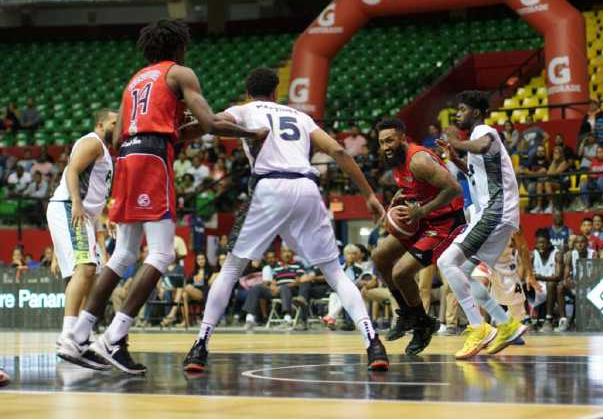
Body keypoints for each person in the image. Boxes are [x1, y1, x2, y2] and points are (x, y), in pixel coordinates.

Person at [58, 19, 260, 375]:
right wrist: (250, 131)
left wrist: (169, 129)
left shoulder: (135, 79)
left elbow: (119, 135)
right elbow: (211, 123)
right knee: (163, 253)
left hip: (126, 159)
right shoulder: (180, 73)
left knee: (122, 254)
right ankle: (115, 337)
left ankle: (77, 335)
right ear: (178, 46)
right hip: (152, 159)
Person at [182, 66, 389, 372]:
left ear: (248, 91)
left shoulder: (244, 109)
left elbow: (209, 124)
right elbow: (339, 152)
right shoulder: (301, 118)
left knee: (230, 269)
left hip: (269, 186)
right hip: (306, 187)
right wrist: (370, 195)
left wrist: (180, 128)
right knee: (334, 271)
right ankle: (373, 344)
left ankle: (200, 346)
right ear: (277, 91)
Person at [437, 90, 528, 359]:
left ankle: (479, 328)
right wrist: (455, 159)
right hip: (494, 213)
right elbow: (476, 172)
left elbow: (483, 145)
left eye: (462, 110)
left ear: (476, 112)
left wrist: (457, 140)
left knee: (445, 262)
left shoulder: (484, 131)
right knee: (462, 272)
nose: (457, 114)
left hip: (495, 212)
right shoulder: (475, 142)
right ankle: (505, 323)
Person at [371, 117, 463, 355]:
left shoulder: (418, 159)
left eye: (390, 140)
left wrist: (421, 210)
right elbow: (416, 186)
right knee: (379, 256)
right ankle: (407, 314)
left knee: (401, 272)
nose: (385, 146)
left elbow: (453, 189)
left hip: (446, 223)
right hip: (423, 219)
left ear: (403, 137)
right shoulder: (395, 160)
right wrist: (400, 196)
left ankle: (423, 324)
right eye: (382, 142)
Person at [48, 108, 116, 370]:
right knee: (86, 268)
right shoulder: (92, 141)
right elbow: (71, 171)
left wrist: (106, 215)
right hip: (70, 206)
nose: (118, 125)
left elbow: (97, 191)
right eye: (114, 122)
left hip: (86, 214)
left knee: (95, 276)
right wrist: (76, 202)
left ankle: (82, 337)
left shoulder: (106, 152)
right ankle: (69, 337)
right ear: (101, 124)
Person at [559, 235, 597, 331]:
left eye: (582, 242)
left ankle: (589, 320)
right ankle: (563, 319)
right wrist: (568, 280)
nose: (580, 245)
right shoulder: (570, 255)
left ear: (587, 244)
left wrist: (581, 283)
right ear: (574, 244)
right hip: (576, 285)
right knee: (560, 287)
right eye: (577, 243)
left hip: (589, 286)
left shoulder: (593, 254)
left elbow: (595, 276)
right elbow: (566, 275)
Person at [531, 230, 562, 332]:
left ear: (549, 243)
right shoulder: (533, 255)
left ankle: (548, 319)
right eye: (539, 243)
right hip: (537, 286)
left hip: (551, 287)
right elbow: (528, 274)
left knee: (550, 284)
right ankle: (529, 319)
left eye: (543, 242)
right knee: (523, 285)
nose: (541, 245)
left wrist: (540, 277)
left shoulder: (556, 254)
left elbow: (558, 276)